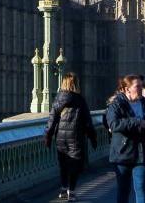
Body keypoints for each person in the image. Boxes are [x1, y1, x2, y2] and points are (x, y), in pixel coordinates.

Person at [45, 73, 98, 201]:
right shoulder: (80, 99)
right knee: (74, 165)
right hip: (76, 137)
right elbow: (87, 121)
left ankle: (63, 189)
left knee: (63, 164)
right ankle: (72, 191)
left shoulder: (58, 99)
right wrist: (92, 137)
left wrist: (48, 135)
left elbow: (52, 120)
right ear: (76, 84)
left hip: (61, 138)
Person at [107, 74, 145, 203]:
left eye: (142, 86)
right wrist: (136, 122)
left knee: (141, 190)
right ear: (126, 89)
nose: (141, 89)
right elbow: (113, 124)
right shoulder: (117, 104)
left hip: (142, 153)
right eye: (137, 86)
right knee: (124, 191)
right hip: (123, 153)